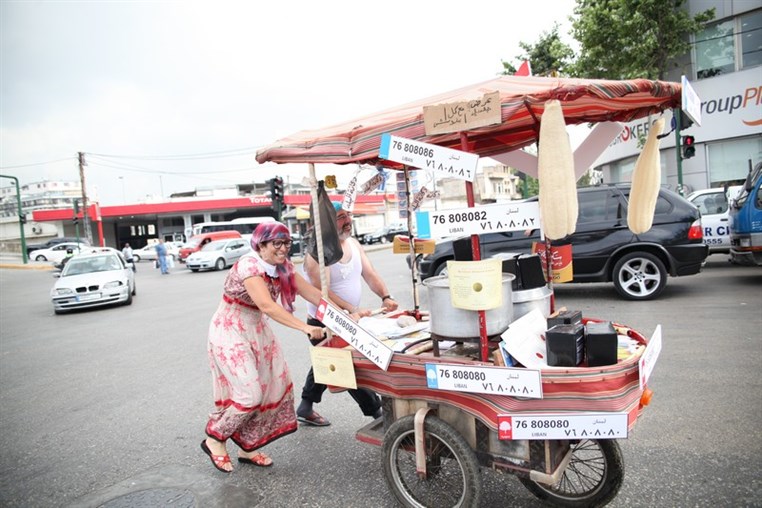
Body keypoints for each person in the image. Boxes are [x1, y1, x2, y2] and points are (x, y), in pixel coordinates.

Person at [201, 221, 365, 473]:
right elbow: (267, 305)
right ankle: (215, 438)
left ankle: (247, 447)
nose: (283, 249)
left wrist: (348, 315)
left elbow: (314, 294)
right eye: (277, 243)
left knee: (270, 389)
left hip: (257, 330)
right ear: (261, 244)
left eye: (287, 243)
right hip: (231, 329)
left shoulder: (284, 268)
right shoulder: (249, 265)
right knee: (250, 394)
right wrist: (305, 327)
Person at [297, 203, 399, 427]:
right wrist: (350, 309)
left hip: (349, 319)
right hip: (323, 321)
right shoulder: (318, 253)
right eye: (341, 217)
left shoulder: (353, 244)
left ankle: (305, 406)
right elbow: (322, 293)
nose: (348, 221)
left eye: (348, 216)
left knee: (327, 361)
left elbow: (370, 274)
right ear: (327, 224)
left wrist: (385, 296)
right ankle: (376, 413)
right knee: (349, 365)